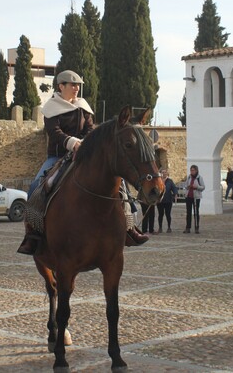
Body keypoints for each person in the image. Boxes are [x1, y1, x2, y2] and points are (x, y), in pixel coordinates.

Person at [18, 70, 149, 254]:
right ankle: (32, 234)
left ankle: (129, 227)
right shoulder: (51, 108)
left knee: (120, 184)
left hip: (85, 154)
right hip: (58, 155)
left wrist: (86, 143)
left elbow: (90, 129)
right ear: (61, 86)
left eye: (78, 85)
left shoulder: (83, 106)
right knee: (36, 186)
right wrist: (72, 143)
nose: (76, 88)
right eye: (72, 85)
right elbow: (54, 132)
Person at [183, 165, 205, 234]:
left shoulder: (199, 178)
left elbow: (203, 187)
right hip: (189, 196)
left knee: (196, 212)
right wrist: (188, 186)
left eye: (193, 170)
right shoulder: (189, 177)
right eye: (191, 170)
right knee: (188, 212)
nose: (192, 172)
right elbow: (185, 185)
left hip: (196, 197)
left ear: (196, 170)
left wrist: (197, 186)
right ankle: (188, 227)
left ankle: (196, 227)